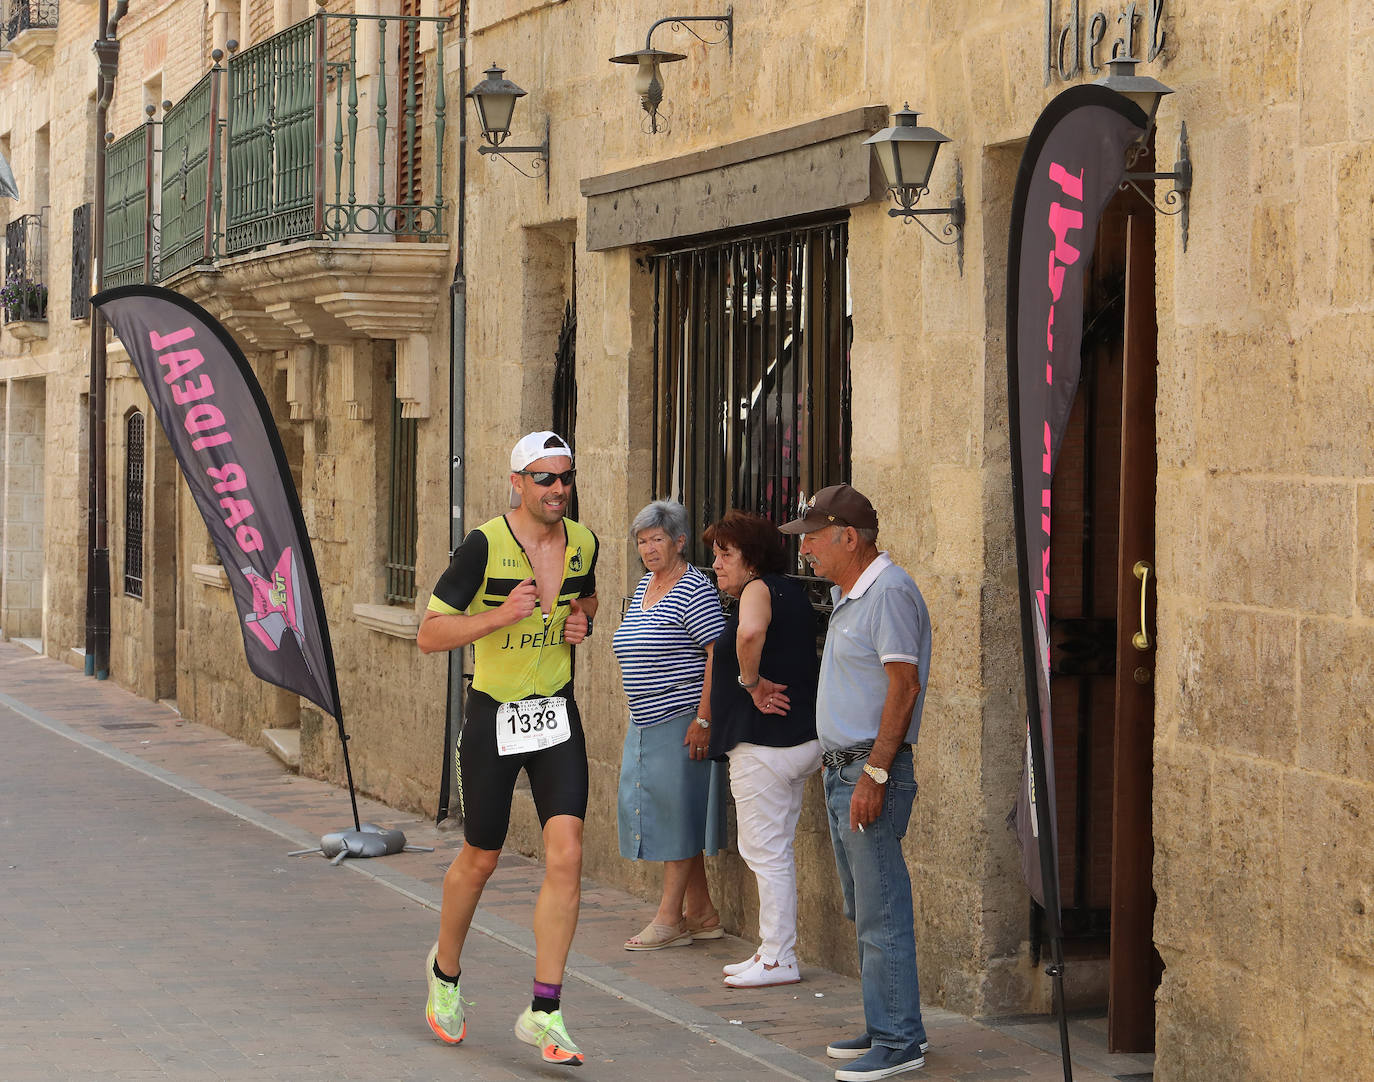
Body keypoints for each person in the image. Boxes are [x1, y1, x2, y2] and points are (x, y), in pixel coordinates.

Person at [416, 431, 599, 1067]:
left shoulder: (583, 542)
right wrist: (499, 616)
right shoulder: (483, 547)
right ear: (517, 483)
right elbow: (430, 634)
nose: (557, 490)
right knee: (482, 857)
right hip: (493, 716)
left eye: (565, 478)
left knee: (568, 852)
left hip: (555, 715)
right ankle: (444, 974)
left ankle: (545, 1009)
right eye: (544, 479)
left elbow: (588, 595)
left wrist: (584, 620)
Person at [779, 484, 931, 1081]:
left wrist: (874, 771)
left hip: (869, 771)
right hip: (847, 769)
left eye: (813, 537)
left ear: (849, 537)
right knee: (865, 906)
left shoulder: (888, 591)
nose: (806, 549)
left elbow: (904, 686)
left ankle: (899, 1040)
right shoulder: (854, 594)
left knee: (882, 908)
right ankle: (885, 1022)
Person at [705, 509, 822, 989]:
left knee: (765, 852)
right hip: (798, 741)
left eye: (724, 555)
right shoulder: (789, 591)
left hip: (766, 745)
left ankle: (778, 957)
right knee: (776, 850)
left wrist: (749, 683)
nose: (716, 565)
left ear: (750, 558)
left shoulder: (757, 590)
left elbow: (750, 633)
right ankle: (772, 949)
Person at [611, 500, 728, 950]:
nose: (648, 549)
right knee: (668, 815)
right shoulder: (646, 585)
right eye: (642, 541)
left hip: (681, 720)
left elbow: (717, 650)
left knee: (675, 817)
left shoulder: (694, 587)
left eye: (656, 539)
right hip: (645, 723)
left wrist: (704, 717)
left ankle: (668, 919)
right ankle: (702, 914)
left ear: (679, 541)